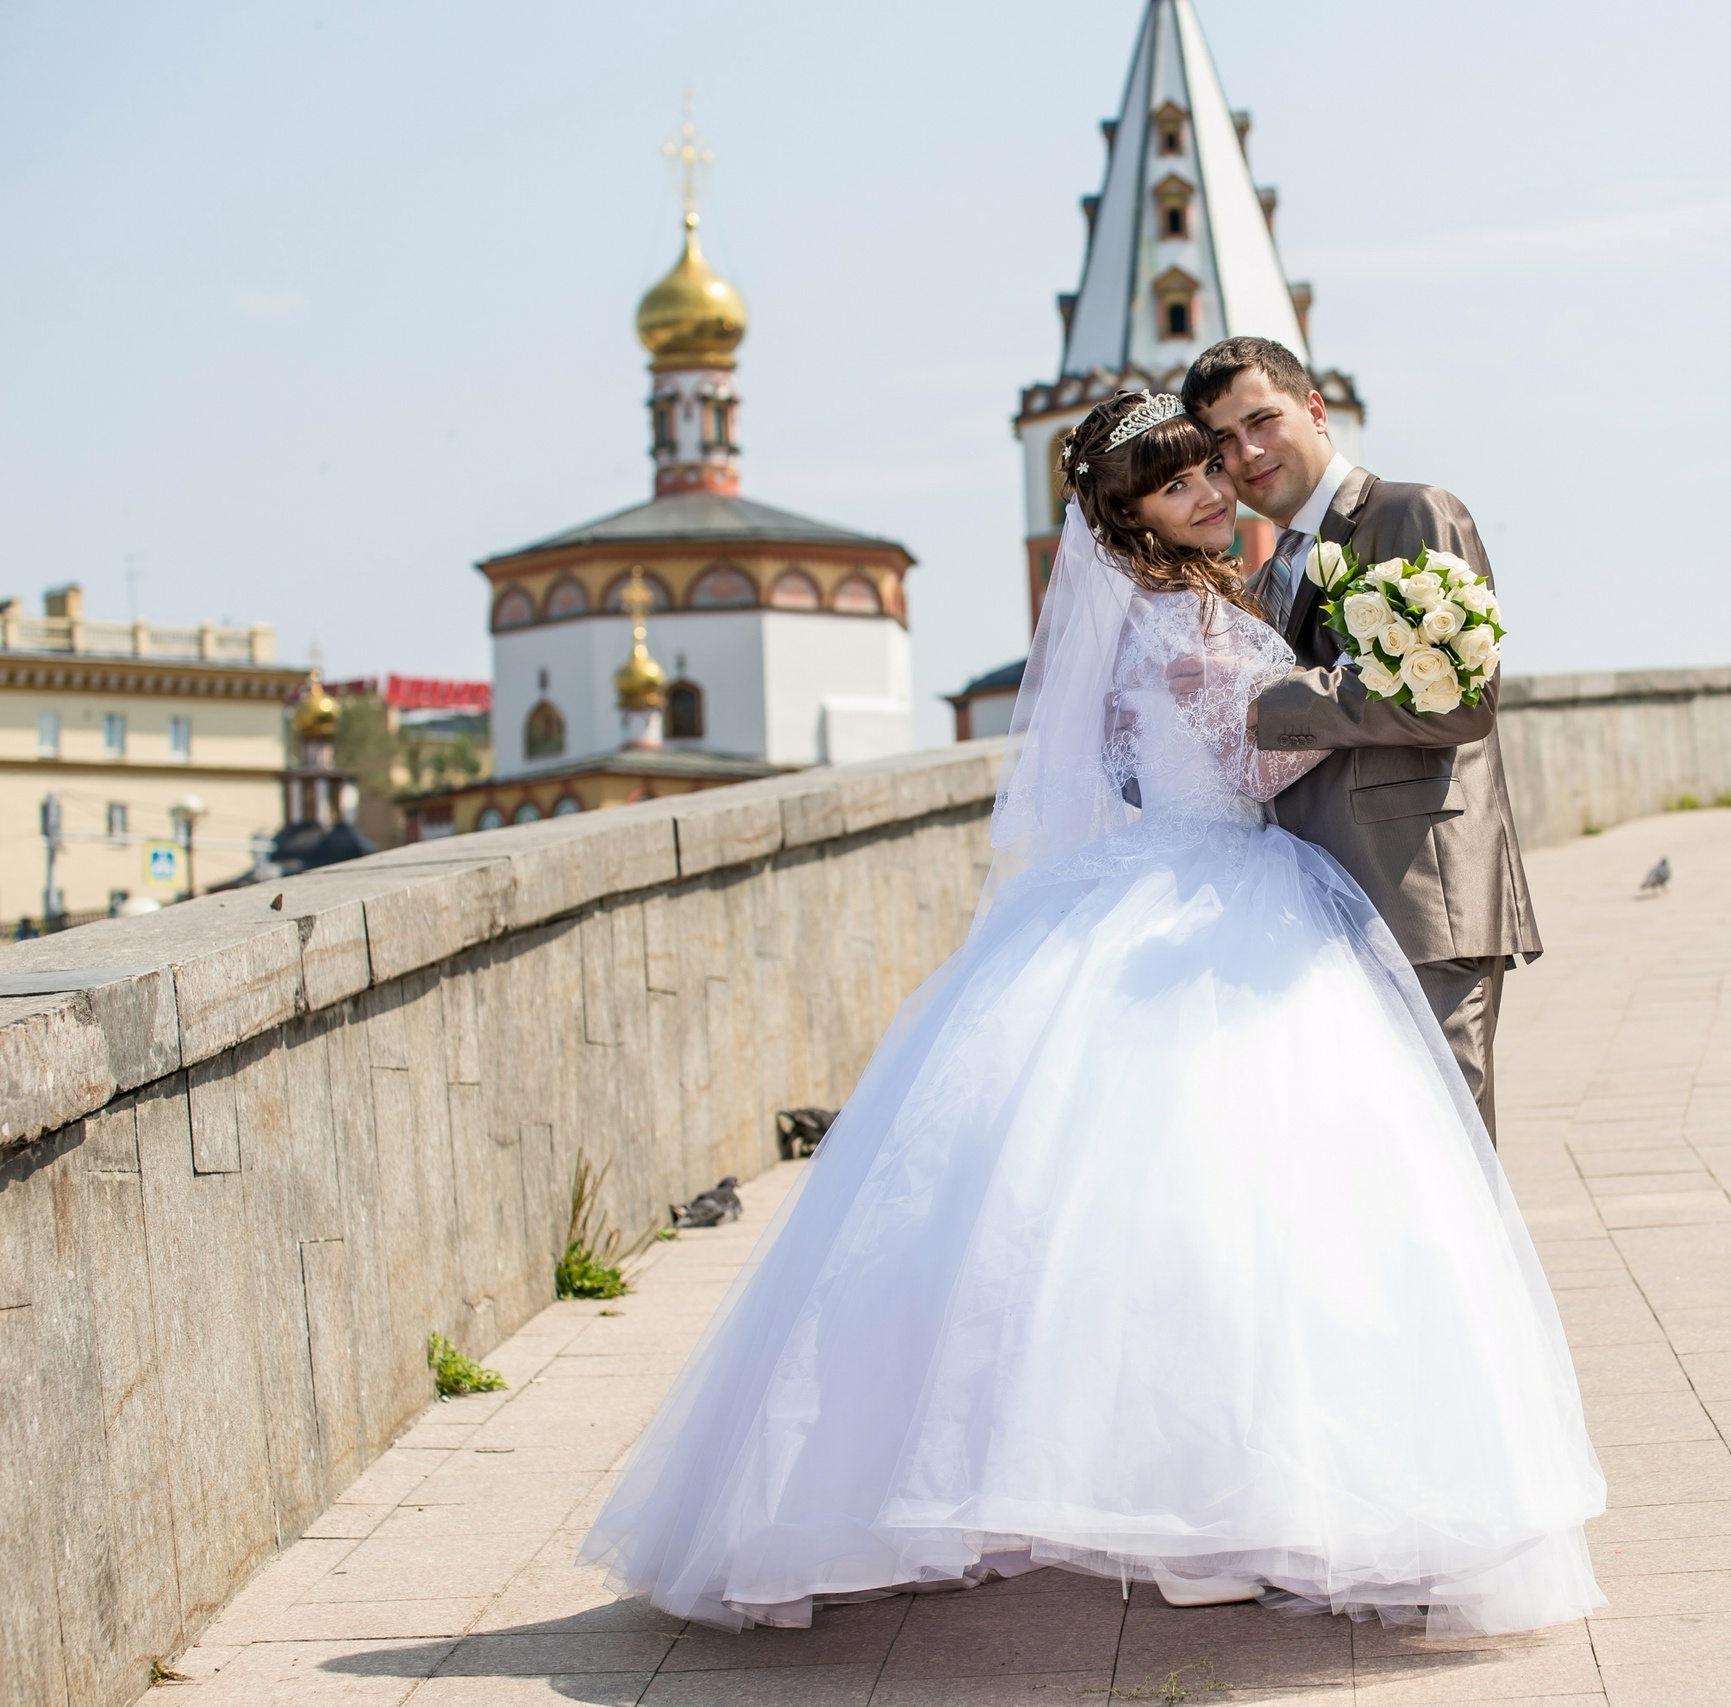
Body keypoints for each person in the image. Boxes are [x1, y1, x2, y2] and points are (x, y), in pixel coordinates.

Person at [578, 391, 1605, 1637]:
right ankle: (1221, 1510)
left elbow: (1129, 763)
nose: (1218, 494)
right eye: (1185, 487)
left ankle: (1179, 1500)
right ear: (1131, 526)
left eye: (1214, 473)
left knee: (1154, 1218)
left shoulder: (1173, 616)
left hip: (1150, 889)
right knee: (1235, 1212)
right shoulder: (1192, 627)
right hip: (1226, 896)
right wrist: (1361, 682)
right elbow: (1256, 755)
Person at [1182, 338, 1537, 1142]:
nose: (1248, 452)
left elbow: (1457, 700)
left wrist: (1256, 701)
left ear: (1314, 410)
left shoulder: (1412, 513)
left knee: (1446, 1158)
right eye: (1224, 444)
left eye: (1262, 420)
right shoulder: (1271, 575)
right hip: (1318, 911)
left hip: (1419, 898)